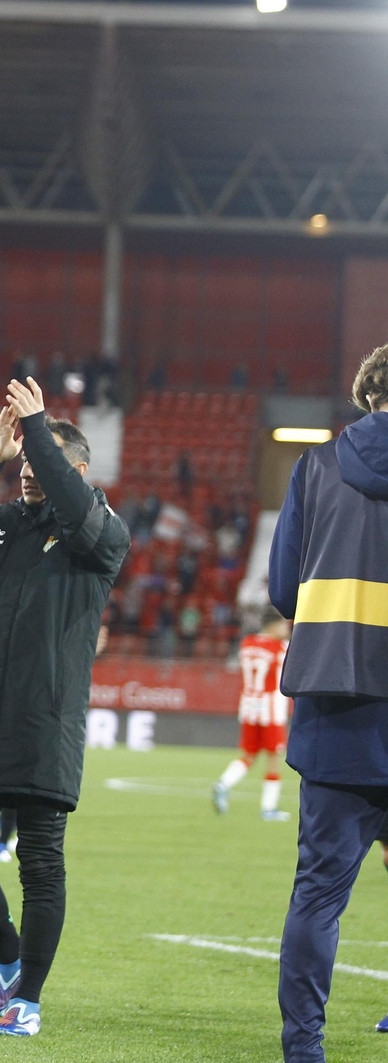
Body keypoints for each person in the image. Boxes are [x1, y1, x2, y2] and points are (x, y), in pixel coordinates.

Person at [0, 380, 129, 1037]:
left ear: (71, 470)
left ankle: (30, 999)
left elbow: (74, 509)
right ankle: (10, 960)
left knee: (42, 861)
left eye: (36, 469)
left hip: (45, 724)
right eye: (19, 471)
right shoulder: (6, 526)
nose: (25, 480)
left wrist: (39, 429)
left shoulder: (99, 536)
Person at [272, 346, 388, 1063]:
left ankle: (304, 1050)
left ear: (365, 393)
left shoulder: (316, 467)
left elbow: (286, 588)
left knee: (319, 894)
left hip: (338, 704)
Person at [211, 607, 292, 822]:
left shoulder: (247, 643)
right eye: (283, 625)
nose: (286, 629)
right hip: (272, 708)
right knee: (274, 757)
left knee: (250, 753)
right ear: (273, 625)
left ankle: (223, 783)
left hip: (248, 705)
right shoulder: (282, 648)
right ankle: (269, 808)